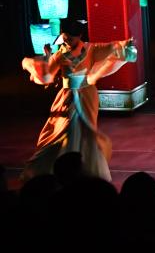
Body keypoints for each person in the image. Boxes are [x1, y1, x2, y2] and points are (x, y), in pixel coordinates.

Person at [20, 19, 136, 181]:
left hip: (86, 95)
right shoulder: (60, 54)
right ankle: (58, 166)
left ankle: (86, 167)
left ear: (80, 36)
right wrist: (45, 58)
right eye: (65, 36)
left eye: (71, 37)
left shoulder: (91, 49)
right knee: (63, 130)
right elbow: (47, 75)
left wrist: (125, 45)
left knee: (86, 132)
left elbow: (111, 48)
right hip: (67, 97)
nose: (67, 40)